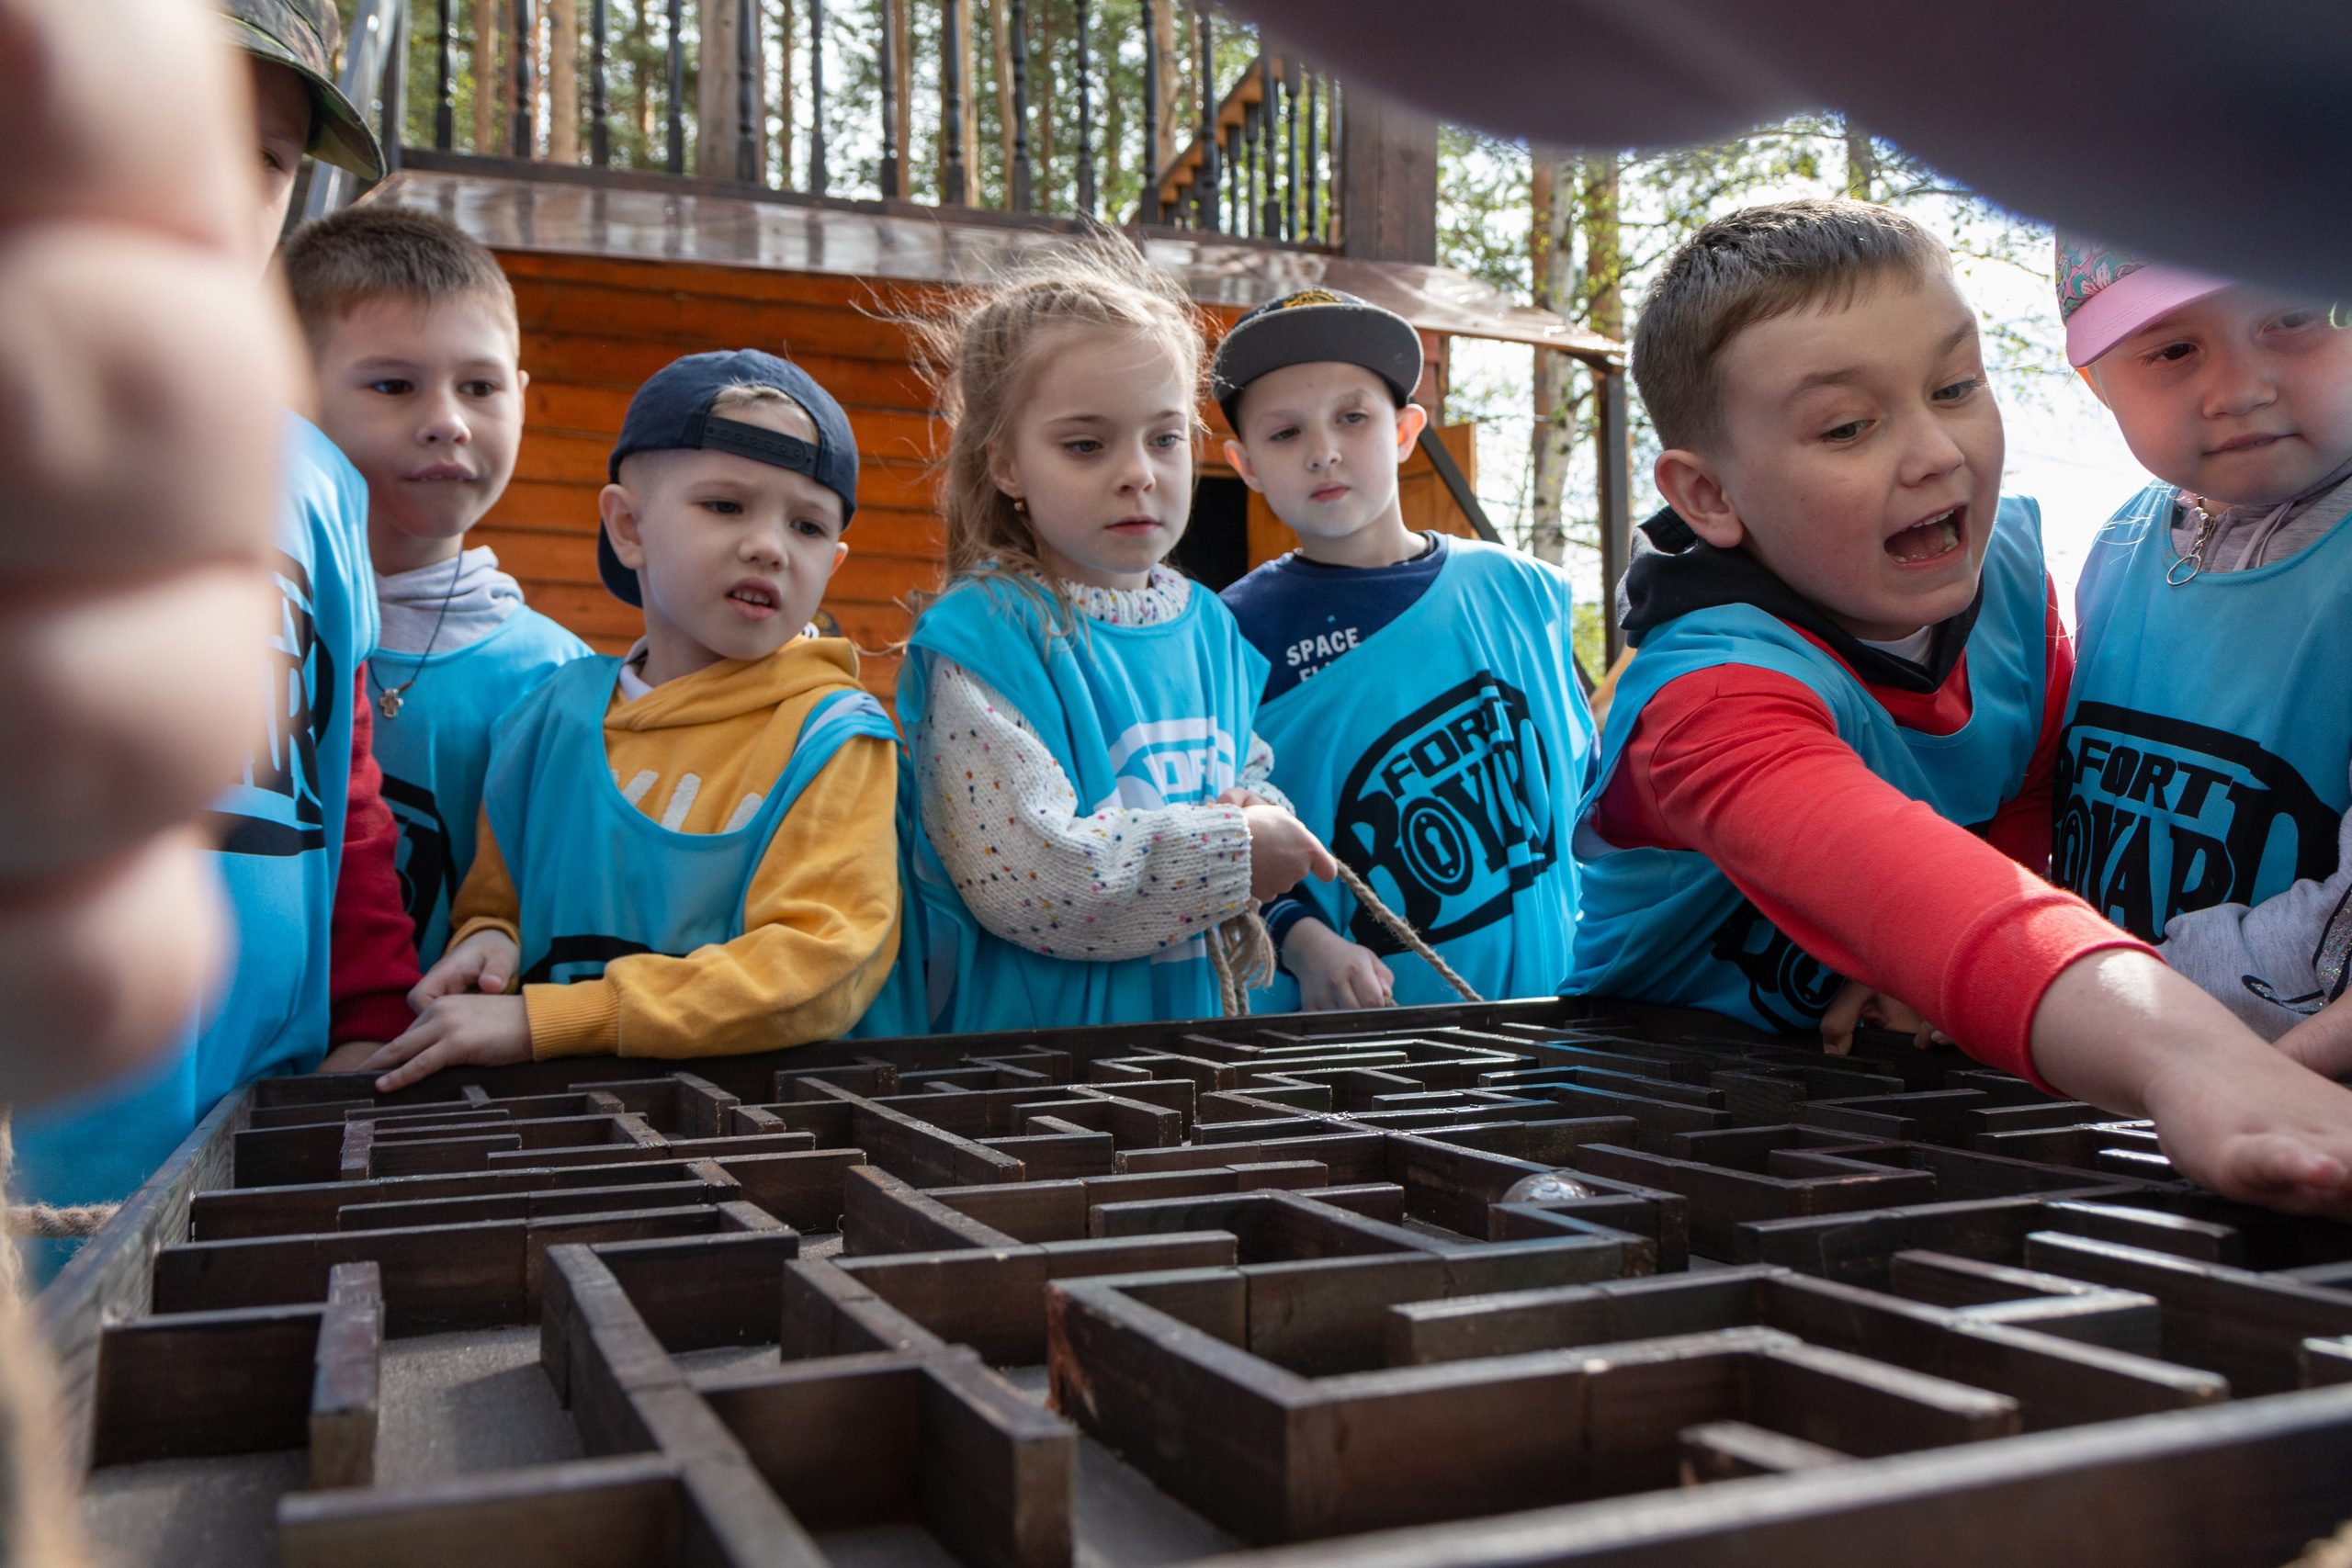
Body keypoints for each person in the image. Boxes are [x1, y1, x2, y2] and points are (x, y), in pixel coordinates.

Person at [1566, 197, 2352, 1215]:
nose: (1934, 451)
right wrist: (2195, 1062)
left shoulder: (2011, 584)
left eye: (1955, 386)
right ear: (1708, 496)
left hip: (1920, 1111)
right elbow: (1908, 887)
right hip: (1662, 1118)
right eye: (1847, 426)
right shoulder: (1706, 701)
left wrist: (1929, 980)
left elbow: (2022, 791)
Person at [10, 0, 418, 1251]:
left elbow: (344, 776)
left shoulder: (320, 478)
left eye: (268, 157)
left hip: (251, 1111)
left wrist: (371, 1010)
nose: (219, 186)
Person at [357, 350, 919, 1090]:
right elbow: (498, 899)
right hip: (553, 1128)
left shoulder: (833, 738)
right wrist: (488, 940)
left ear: (833, 565)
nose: (769, 546)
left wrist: (550, 1019)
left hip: (761, 1136)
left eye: (808, 526)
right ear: (628, 527)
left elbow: (821, 964)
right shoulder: (547, 716)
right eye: (725, 506)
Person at [898, 240, 1335, 1032]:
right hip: (1046, 1068)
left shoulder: (1211, 627)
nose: (1138, 472)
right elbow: (1033, 879)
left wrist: (1260, 809)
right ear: (1006, 465)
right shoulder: (986, 637)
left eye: (1164, 439)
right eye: (1086, 445)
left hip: (1195, 1047)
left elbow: (1245, 771)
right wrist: (1235, 847)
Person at [1214, 289, 1595, 1010]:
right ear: (1246, 464)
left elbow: (1595, 801)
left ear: (1404, 430)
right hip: (1362, 1043)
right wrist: (1303, 939)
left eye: (1352, 417)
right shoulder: (1229, 635)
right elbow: (1213, 840)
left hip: (1566, 1021)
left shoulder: (1522, 591)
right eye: (1286, 433)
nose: (1323, 450)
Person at [2052, 240, 2352, 1066]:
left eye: (2294, 315)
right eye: (2174, 349)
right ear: (2096, 383)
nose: (2240, 390)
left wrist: (2074, 991)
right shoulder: (2121, 541)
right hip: (2098, 1059)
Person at [282, 206, 592, 988]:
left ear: (521, 395)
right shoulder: (256, 641)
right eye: (394, 385)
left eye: (481, 386)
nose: (448, 422)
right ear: (291, 389)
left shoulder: (565, 681)